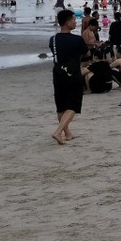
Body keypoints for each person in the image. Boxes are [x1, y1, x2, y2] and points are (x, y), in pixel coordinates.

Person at [49, 9, 87, 144]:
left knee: (61, 105)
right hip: (72, 73)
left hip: (57, 73)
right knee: (73, 105)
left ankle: (68, 133)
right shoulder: (77, 40)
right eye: (73, 20)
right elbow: (84, 53)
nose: (75, 22)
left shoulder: (53, 39)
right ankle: (58, 132)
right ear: (67, 22)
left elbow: (55, 53)